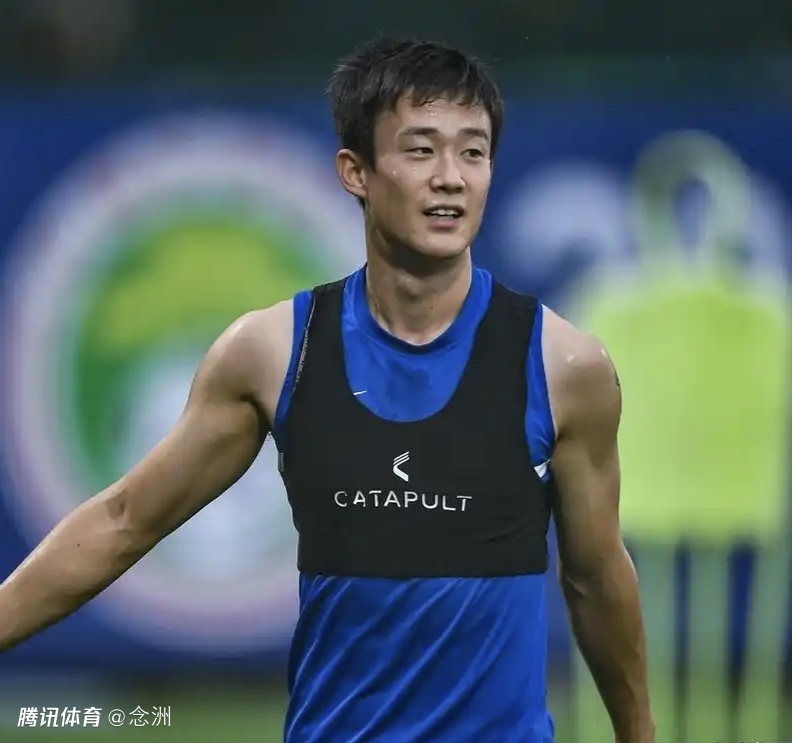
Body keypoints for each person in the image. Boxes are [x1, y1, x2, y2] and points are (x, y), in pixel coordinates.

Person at [0, 37, 654, 743]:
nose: (450, 178)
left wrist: (639, 735)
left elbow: (595, 576)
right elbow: (125, 521)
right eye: (420, 150)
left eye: (473, 152)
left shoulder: (564, 366)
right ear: (355, 172)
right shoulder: (272, 353)